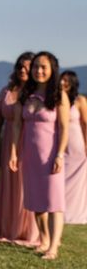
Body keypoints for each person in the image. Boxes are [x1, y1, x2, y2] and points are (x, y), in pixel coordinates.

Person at [9, 51, 70, 260]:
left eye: (43, 67)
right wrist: (14, 153)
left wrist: (60, 155)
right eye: (36, 66)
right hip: (30, 154)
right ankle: (43, 240)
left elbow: (64, 128)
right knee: (35, 200)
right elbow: (17, 125)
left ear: (52, 69)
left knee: (54, 202)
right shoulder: (25, 94)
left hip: (51, 155)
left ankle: (53, 247)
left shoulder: (59, 95)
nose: (39, 71)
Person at [0, 52, 39, 245]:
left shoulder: (38, 94)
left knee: (27, 187)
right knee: (9, 187)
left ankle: (29, 231)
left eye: (27, 67)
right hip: (10, 142)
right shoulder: (7, 91)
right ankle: (8, 228)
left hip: (32, 143)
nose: (23, 71)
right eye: (20, 67)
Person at [59, 71, 87, 224]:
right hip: (61, 143)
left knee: (77, 180)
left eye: (66, 80)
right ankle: (60, 209)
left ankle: (75, 213)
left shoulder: (80, 100)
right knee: (61, 177)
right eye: (61, 80)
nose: (63, 83)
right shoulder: (56, 100)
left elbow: (86, 124)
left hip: (77, 143)